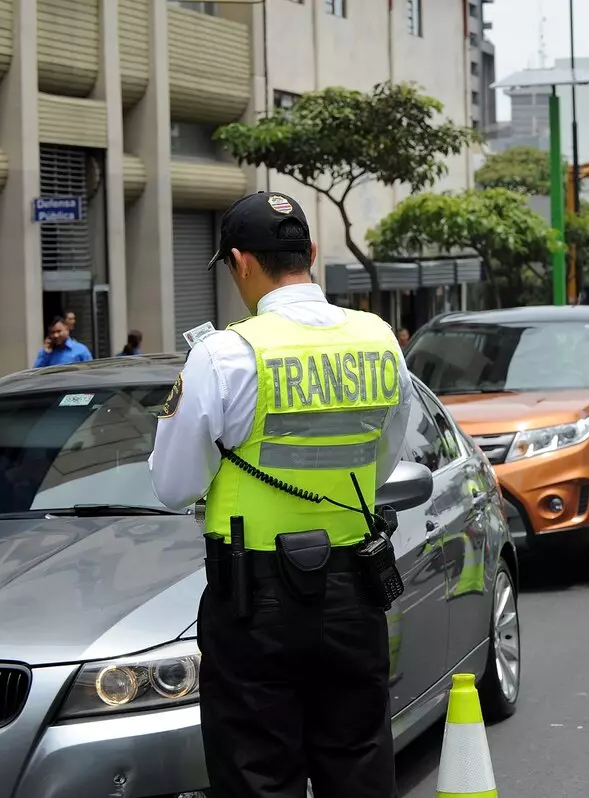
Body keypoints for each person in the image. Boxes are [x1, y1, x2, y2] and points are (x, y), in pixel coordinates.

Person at [148, 191, 414, 798]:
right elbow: (383, 457)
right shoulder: (378, 339)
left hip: (255, 602)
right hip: (354, 592)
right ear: (312, 253)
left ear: (241, 261)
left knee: (257, 772)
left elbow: (173, 486)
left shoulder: (223, 354)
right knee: (359, 761)